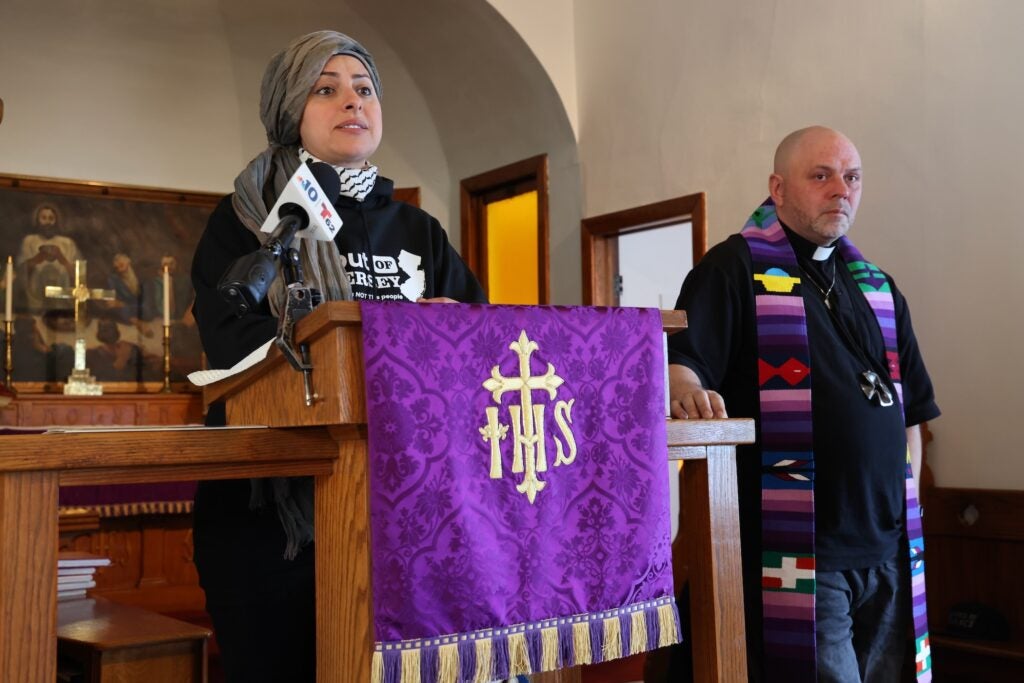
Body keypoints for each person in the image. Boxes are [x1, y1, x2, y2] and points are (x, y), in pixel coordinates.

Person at [190, 30, 486, 683]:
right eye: (326, 89)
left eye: (365, 88)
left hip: (406, 516)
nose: (352, 101)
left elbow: (479, 347)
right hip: (271, 526)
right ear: (291, 109)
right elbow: (234, 344)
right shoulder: (249, 221)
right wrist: (392, 333)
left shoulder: (417, 229)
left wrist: (451, 334)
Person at [667, 126, 939, 682]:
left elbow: (910, 412)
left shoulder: (877, 288)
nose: (841, 189)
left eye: (852, 177)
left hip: (886, 545)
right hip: (801, 551)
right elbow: (682, 363)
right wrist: (687, 392)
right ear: (779, 187)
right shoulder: (733, 269)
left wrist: (902, 502)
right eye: (822, 176)